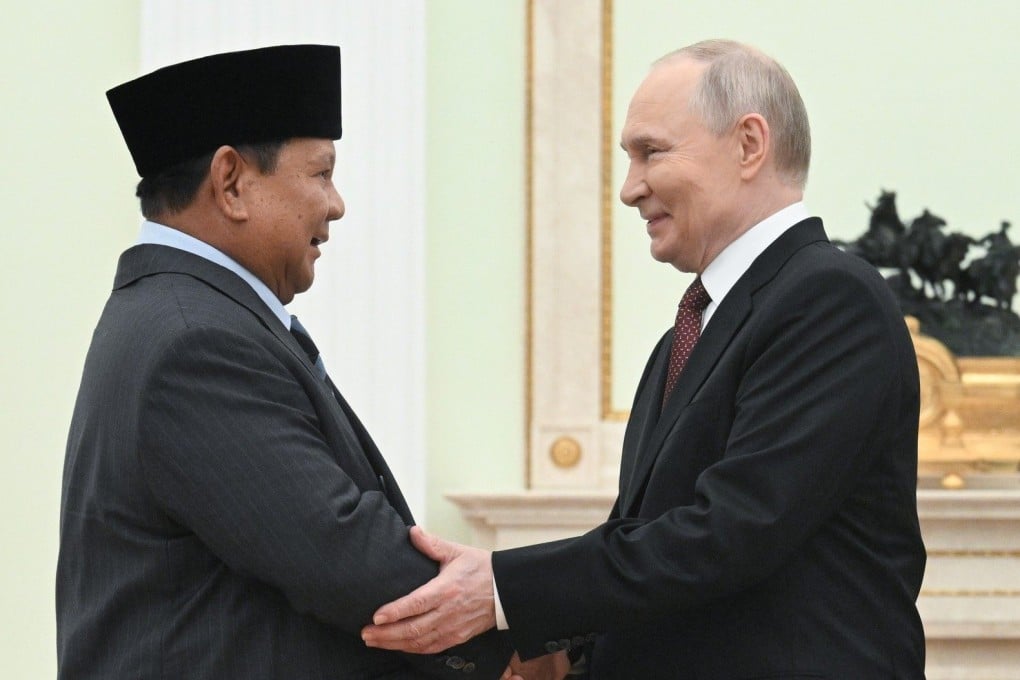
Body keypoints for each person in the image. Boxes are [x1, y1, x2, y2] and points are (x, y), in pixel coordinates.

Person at [361, 39, 927, 679]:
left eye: (651, 152)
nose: (630, 189)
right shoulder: (689, 333)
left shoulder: (829, 299)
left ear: (749, 145)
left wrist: (501, 590)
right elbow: (650, 542)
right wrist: (561, 650)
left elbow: (729, 533)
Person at [56, 45, 515, 679]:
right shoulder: (195, 343)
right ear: (231, 183)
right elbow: (341, 554)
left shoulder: (183, 314)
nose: (336, 204)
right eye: (321, 173)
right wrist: (516, 626)